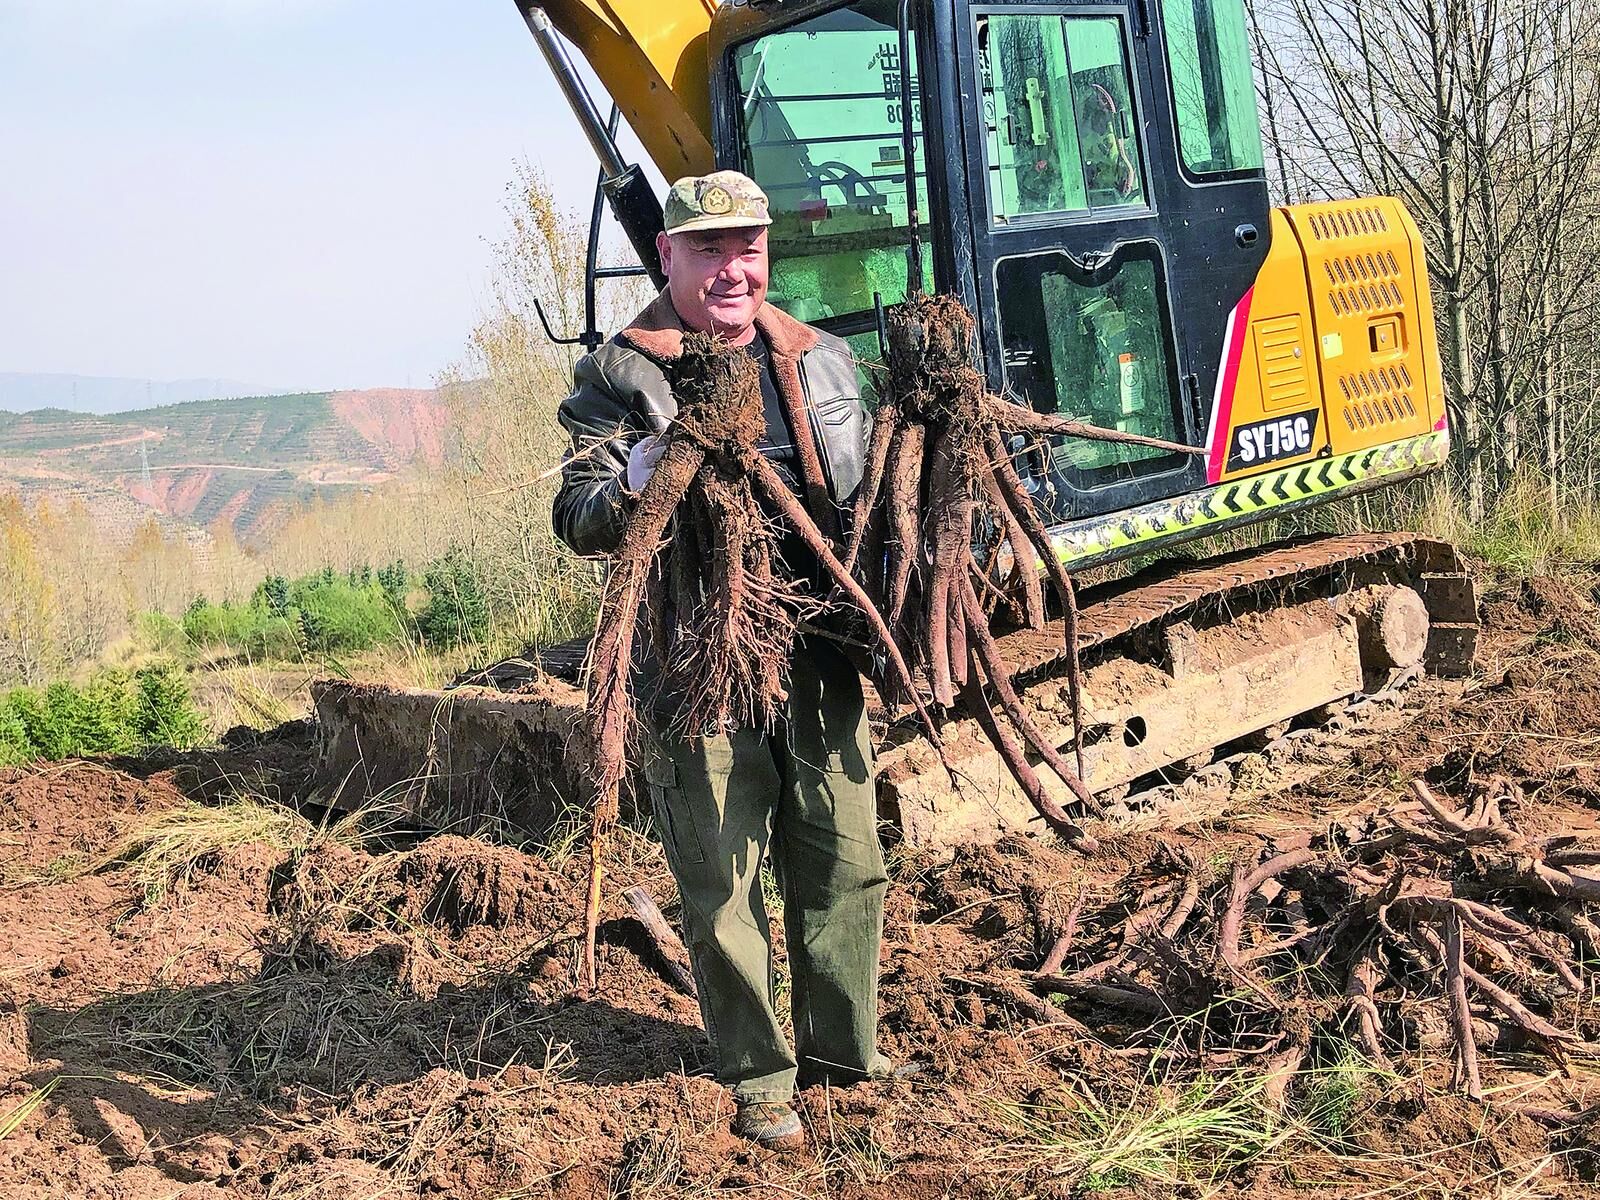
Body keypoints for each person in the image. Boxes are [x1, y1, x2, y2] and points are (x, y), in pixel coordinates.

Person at [552, 170, 890, 1150]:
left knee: (845, 859)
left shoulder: (824, 361)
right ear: (668, 257)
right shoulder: (620, 377)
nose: (731, 267)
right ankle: (761, 1076)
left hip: (816, 650)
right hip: (692, 661)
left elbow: (863, 507)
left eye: (746, 247)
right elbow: (577, 516)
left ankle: (842, 1052)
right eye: (707, 249)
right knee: (723, 878)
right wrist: (640, 476)